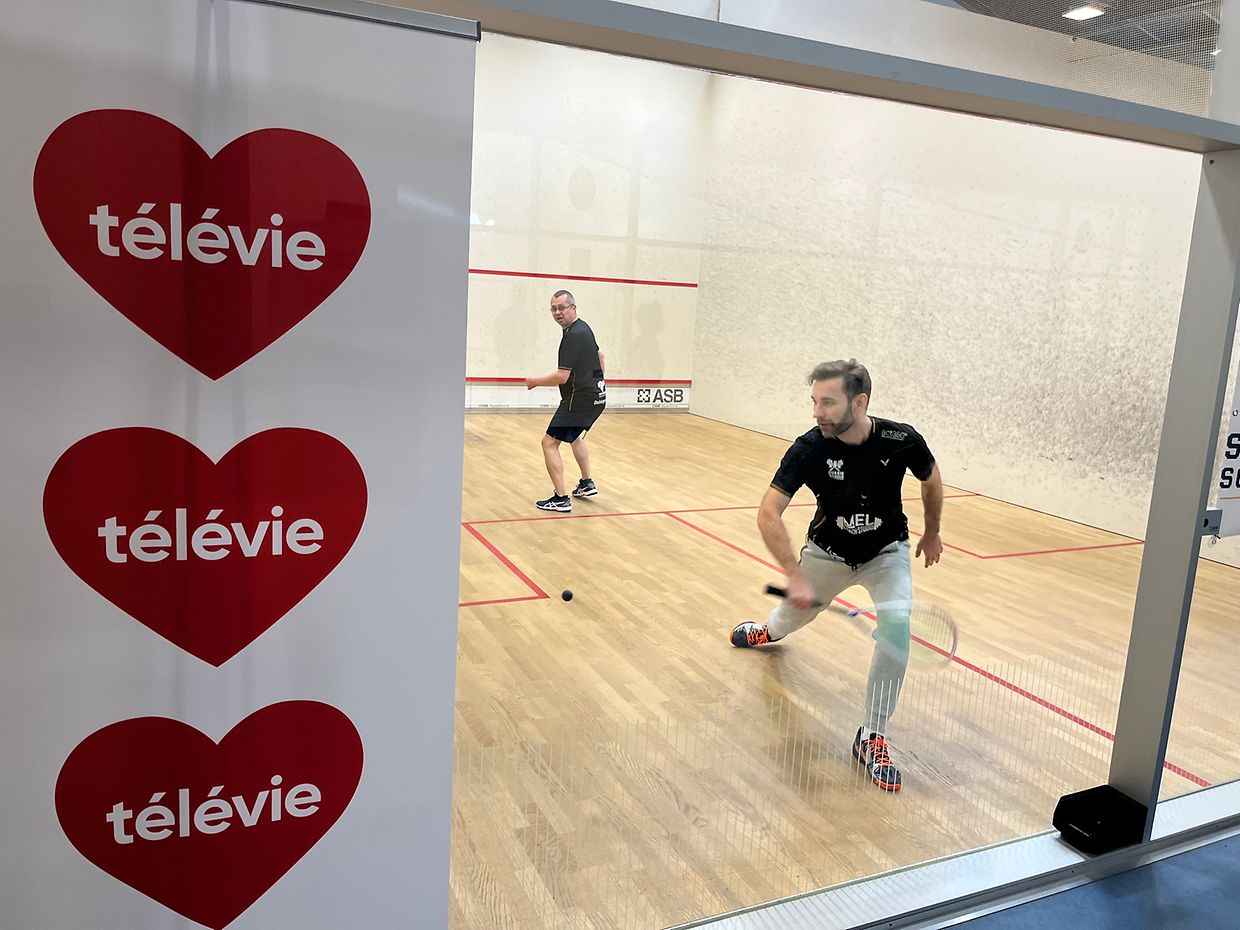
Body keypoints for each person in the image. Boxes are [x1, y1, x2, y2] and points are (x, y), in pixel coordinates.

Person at [730, 359, 944, 792]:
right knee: (788, 620)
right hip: (826, 556)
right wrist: (795, 575)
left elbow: (931, 477)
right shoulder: (809, 449)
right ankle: (768, 631)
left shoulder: (901, 439)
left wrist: (933, 531)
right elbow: (768, 512)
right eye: (814, 401)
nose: (817, 412)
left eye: (827, 402)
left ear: (859, 402)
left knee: (896, 629)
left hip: (887, 553)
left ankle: (872, 735)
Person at [525, 289, 606, 512]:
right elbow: (600, 356)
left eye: (562, 308)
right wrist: (598, 383)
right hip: (597, 398)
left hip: (578, 401)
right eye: (553, 309)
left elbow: (562, 376)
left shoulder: (572, 336)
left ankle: (560, 498)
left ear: (573, 308)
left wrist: (535, 382)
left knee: (549, 443)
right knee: (574, 437)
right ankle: (586, 483)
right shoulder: (584, 328)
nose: (557, 312)